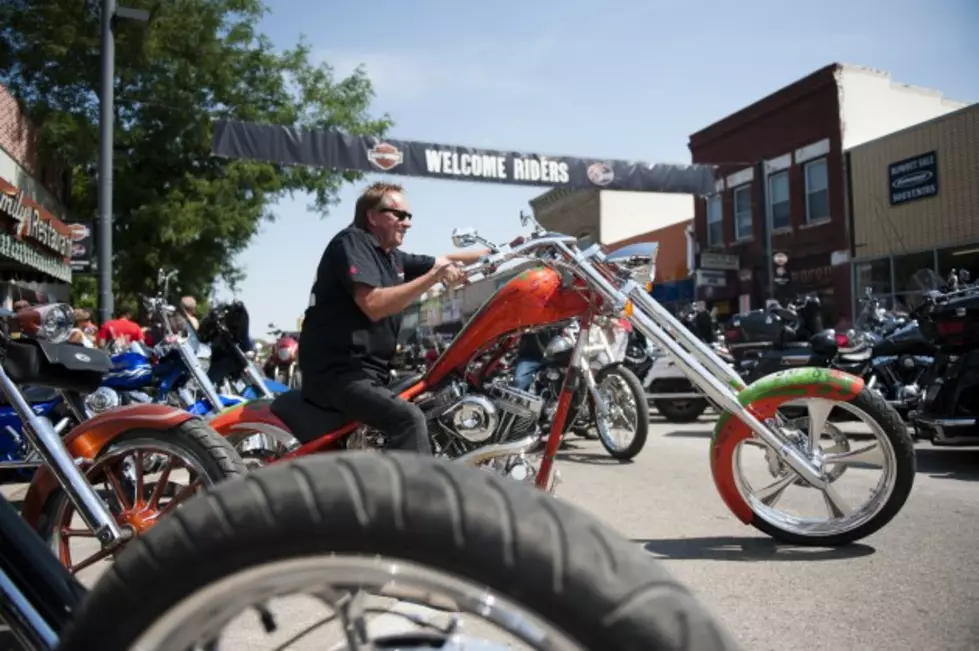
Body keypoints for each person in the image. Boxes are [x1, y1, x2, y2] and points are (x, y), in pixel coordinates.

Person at [299, 182, 498, 454]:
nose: (408, 224)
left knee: (436, 398)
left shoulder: (391, 257)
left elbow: (446, 260)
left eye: (409, 217)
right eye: (399, 215)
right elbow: (373, 304)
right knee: (408, 419)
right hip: (337, 374)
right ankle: (420, 495)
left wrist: (506, 250)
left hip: (369, 374)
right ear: (372, 216)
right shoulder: (352, 242)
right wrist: (433, 278)